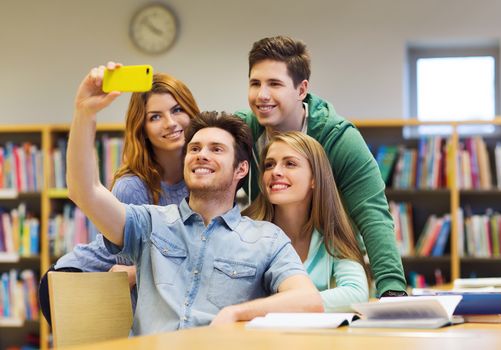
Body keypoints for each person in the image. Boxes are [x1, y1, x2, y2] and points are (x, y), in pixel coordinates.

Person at [65, 62, 323, 334]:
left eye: (216, 149)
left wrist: (236, 313)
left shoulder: (267, 239)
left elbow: (308, 301)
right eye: (195, 148)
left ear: (241, 169)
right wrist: (85, 113)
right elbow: (84, 191)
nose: (202, 155)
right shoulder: (149, 223)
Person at [235, 36, 407, 297]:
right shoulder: (242, 131)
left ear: (302, 90)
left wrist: (393, 290)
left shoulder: (340, 139)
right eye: (255, 83)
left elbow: (372, 214)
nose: (262, 95)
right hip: (267, 252)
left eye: (275, 84)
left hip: (325, 257)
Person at [38, 72, 201, 325]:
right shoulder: (132, 187)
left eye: (177, 109)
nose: (170, 122)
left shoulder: (202, 178)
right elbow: (127, 274)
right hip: (84, 279)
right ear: (143, 129)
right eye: (155, 117)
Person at [243, 131, 369, 312]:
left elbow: (356, 294)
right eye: (269, 165)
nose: (276, 172)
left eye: (290, 164)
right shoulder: (244, 232)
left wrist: (278, 306)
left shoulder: (333, 234)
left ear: (315, 179)